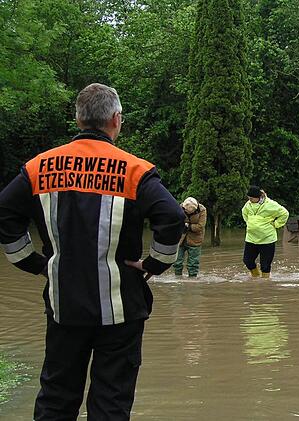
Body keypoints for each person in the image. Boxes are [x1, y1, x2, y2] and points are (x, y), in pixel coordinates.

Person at [0, 83, 184, 420]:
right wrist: (155, 264)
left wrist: (35, 263)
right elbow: (172, 218)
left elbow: (4, 215)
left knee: (56, 398)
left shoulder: (38, 168)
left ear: (78, 119)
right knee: (110, 403)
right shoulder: (135, 171)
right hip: (121, 307)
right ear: (116, 120)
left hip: (64, 305)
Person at [242, 186, 289, 278]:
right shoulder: (248, 205)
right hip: (251, 239)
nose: (249, 200)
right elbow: (244, 213)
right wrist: (250, 223)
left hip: (267, 239)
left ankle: (265, 284)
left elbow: (284, 213)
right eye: (249, 198)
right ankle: (255, 276)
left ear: (258, 197)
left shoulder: (271, 204)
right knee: (247, 261)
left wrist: (276, 224)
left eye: (251, 198)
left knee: (265, 265)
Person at [173, 197, 207, 277]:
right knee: (177, 262)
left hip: (195, 239)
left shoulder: (202, 210)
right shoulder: (180, 208)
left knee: (193, 264)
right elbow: (176, 222)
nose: (187, 213)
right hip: (180, 238)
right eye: (186, 211)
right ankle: (178, 278)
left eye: (191, 212)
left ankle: (192, 279)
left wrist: (188, 226)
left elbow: (200, 226)